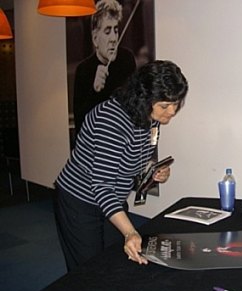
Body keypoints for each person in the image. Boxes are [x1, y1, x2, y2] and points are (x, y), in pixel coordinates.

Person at [54, 60, 188, 271]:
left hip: (111, 198)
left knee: (114, 263)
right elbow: (102, 184)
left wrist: (152, 172)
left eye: (176, 103)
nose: (172, 111)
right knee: (88, 272)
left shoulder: (150, 118)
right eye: (164, 105)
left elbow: (130, 159)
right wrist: (130, 232)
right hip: (80, 200)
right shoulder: (112, 120)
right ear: (145, 98)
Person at [72, 0, 137, 136]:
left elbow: (135, 106)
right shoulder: (83, 70)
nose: (114, 38)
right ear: (95, 39)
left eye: (116, 30)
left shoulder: (127, 59)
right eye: (107, 32)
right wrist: (95, 91)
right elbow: (80, 125)